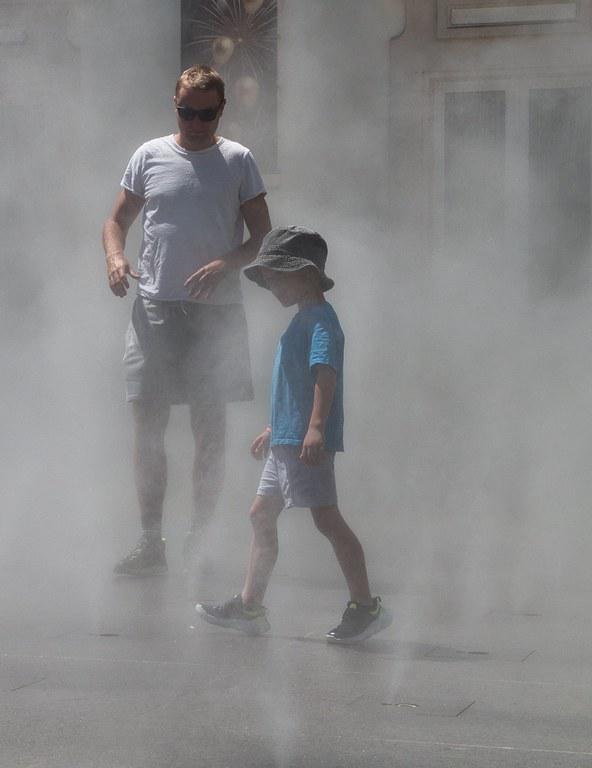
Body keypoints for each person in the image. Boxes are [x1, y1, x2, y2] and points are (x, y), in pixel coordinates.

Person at [102, 65, 271, 576]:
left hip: (214, 313)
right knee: (147, 425)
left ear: (221, 111)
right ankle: (151, 540)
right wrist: (114, 258)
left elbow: (263, 235)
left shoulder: (237, 160)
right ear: (173, 106)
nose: (195, 121)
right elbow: (116, 221)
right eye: (185, 111)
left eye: (205, 113)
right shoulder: (149, 155)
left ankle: (201, 537)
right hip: (155, 306)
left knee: (209, 427)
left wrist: (226, 262)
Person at [195, 226, 392, 643]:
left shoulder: (320, 320)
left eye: (276, 276)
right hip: (286, 440)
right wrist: (274, 428)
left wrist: (315, 428)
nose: (269, 285)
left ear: (304, 274)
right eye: (266, 277)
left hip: (304, 445)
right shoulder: (304, 319)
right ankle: (249, 605)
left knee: (328, 521)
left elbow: (324, 375)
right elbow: (294, 386)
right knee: (261, 514)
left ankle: (365, 606)